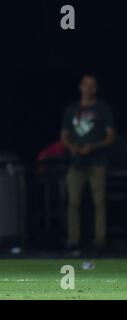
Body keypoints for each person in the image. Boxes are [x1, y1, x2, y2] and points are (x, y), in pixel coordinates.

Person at [60, 73, 115, 255]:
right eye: (86, 84)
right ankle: (73, 241)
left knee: (99, 202)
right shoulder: (72, 110)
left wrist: (93, 146)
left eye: (92, 85)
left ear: (96, 88)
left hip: (97, 161)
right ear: (80, 87)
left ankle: (100, 241)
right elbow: (64, 137)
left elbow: (110, 136)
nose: (88, 88)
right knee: (73, 202)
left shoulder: (102, 109)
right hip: (76, 162)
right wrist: (73, 147)